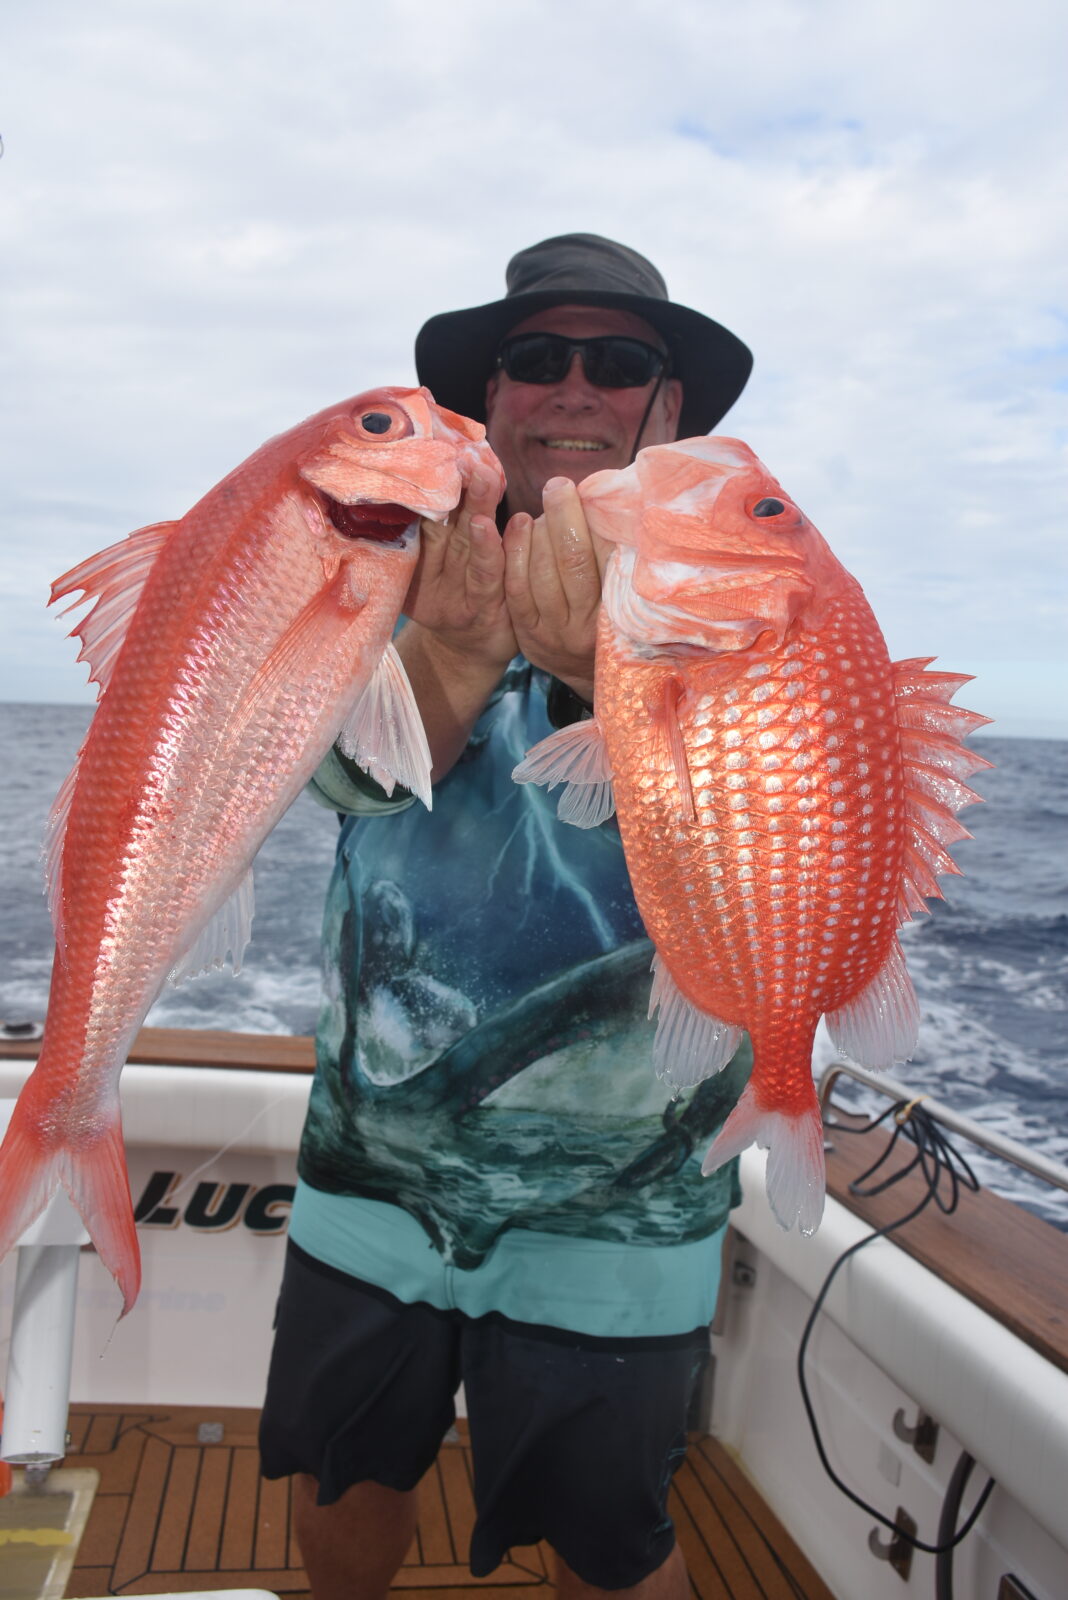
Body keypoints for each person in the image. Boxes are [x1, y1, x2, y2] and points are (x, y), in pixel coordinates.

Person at [259, 234, 754, 1600]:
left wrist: (604, 678)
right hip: (371, 1173)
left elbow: (749, 859)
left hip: (628, 1201)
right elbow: (340, 778)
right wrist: (461, 648)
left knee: (612, 1545)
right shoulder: (387, 550)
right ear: (491, 396)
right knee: (342, 1483)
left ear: (670, 406)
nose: (574, 389)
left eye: (619, 363)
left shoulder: (743, 588)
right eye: (538, 360)